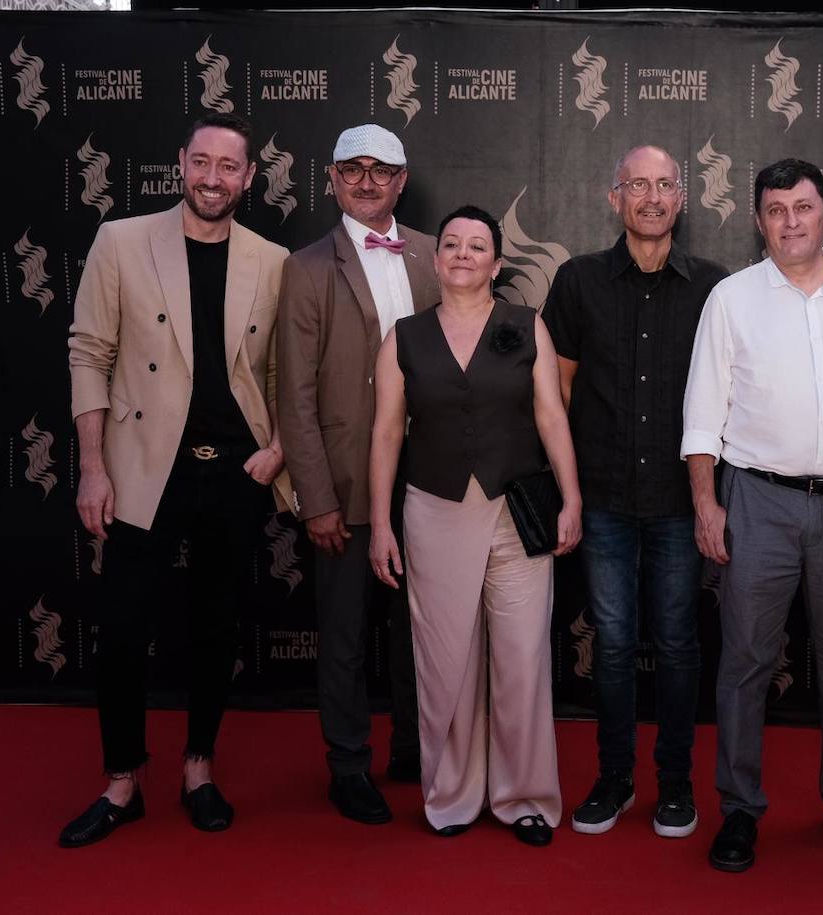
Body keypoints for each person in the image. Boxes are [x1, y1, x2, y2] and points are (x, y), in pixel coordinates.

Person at [60, 111, 291, 847]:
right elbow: (88, 352)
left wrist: (277, 448)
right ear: (179, 163)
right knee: (124, 630)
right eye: (202, 162)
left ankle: (199, 767)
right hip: (140, 468)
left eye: (230, 167)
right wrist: (93, 466)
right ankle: (121, 780)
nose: (213, 178)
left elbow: (288, 372)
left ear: (250, 177)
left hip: (233, 473)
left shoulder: (273, 259)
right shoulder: (122, 241)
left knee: (216, 629)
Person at [681, 158, 823, 872]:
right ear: (758, 220)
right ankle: (739, 808)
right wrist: (707, 503)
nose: (791, 222)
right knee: (744, 661)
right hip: (758, 500)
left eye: (803, 206)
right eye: (776, 210)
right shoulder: (732, 298)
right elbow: (703, 413)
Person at [367, 205, 582, 847]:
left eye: (477, 245)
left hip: (517, 514)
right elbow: (384, 433)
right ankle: (454, 795)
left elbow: (551, 417)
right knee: (446, 664)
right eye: (452, 244)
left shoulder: (527, 327)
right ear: (435, 262)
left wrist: (571, 498)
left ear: (495, 262)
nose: (463, 253)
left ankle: (525, 798)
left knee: (521, 660)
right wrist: (380, 524)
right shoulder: (402, 336)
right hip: (432, 512)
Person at [543, 145, 727, 838]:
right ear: (613, 197)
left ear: (683, 197)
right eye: (637, 185)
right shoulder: (577, 280)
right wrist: (571, 487)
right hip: (606, 498)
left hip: (683, 501)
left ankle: (675, 784)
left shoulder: (716, 286)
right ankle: (615, 778)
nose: (651, 197)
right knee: (614, 643)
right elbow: (555, 389)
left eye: (664, 185)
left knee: (679, 642)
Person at [276, 124, 438, 825]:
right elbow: (296, 395)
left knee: (422, 630)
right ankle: (348, 764)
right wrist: (316, 498)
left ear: (403, 180)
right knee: (342, 635)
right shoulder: (307, 267)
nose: (367, 181)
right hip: (343, 482)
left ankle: (415, 749)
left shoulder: (438, 254)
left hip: (430, 481)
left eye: (382, 170)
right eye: (353, 169)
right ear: (331, 178)